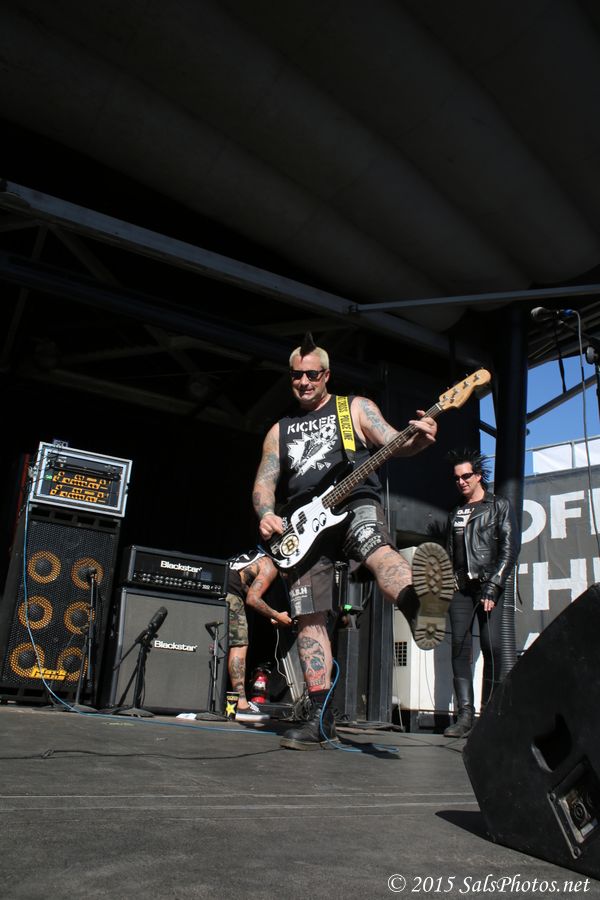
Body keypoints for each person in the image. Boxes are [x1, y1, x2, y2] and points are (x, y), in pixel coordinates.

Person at [252, 334, 454, 749]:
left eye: (312, 375)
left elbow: (395, 442)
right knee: (308, 615)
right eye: (297, 375)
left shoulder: (355, 408)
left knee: (377, 549)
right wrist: (266, 513)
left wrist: (419, 438)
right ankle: (320, 717)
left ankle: (419, 604)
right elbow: (264, 482)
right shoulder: (280, 430)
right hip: (303, 527)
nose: (304, 382)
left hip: (355, 500)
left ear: (326, 375)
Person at [443, 449, 520, 738]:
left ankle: (489, 715)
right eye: (456, 478)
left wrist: (493, 585)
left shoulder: (498, 505)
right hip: (460, 589)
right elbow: (450, 552)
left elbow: (510, 549)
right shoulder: (454, 511)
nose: (461, 482)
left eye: (466, 476)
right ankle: (464, 716)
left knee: (493, 647)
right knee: (459, 648)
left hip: (487, 586)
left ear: (478, 476)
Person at [226, 549, 292, 723]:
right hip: (231, 591)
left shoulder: (257, 557)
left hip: (220, 583)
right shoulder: (270, 565)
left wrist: (270, 614)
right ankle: (240, 704)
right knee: (239, 645)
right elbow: (252, 599)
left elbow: (244, 584)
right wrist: (277, 616)